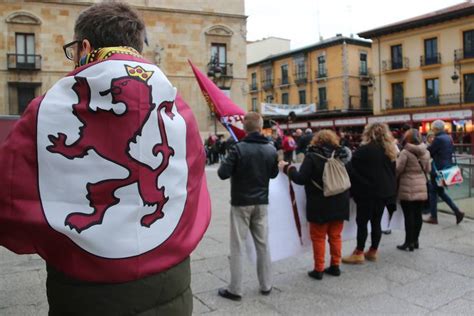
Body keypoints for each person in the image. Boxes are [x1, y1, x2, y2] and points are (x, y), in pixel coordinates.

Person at [0, 2, 210, 315]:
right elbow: (193, 190)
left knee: (102, 192)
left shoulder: (47, 109)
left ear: (84, 47)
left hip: (86, 293)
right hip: (170, 287)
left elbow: (10, 194)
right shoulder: (179, 108)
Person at [217, 112, 278, 301]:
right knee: (263, 245)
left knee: (237, 246)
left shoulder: (238, 148)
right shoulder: (271, 149)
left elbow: (222, 173)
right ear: (260, 127)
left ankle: (235, 289)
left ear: (244, 127)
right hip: (261, 202)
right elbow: (274, 174)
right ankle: (266, 284)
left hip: (241, 202)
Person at [280, 130, 350, 280]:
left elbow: (300, 179)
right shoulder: (341, 155)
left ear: (316, 141)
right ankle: (335, 266)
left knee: (318, 237)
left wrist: (287, 168)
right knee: (335, 236)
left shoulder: (312, 157)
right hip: (340, 201)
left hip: (320, 204)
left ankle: (318, 269)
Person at [342, 123, 397, 264]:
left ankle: (359, 252)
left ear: (369, 133)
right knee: (376, 221)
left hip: (367, 193)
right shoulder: (389, 150)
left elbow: (350, 168)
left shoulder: (364, 150)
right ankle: (373, 251)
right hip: (385, 193)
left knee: (362, 222)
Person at [396, 129, 431, 251]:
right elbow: (428, 170)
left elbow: (398, 169)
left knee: (408, 216)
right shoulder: (425, 152)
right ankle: (415, 241)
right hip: (421, 185)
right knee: (418, 215)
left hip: (407, 186)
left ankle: (408, 242)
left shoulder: (405, 152)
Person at [424, 120, 465, 225]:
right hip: (446, 168)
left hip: (437, 169)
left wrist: (426, 146)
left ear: (437, 129)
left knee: (433, 192)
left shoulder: (438, 139)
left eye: (433, 128)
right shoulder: (448, 137)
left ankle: (434, 217)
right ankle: (457, 211)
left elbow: (430, 151)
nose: (432, 130)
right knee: (440, 192)